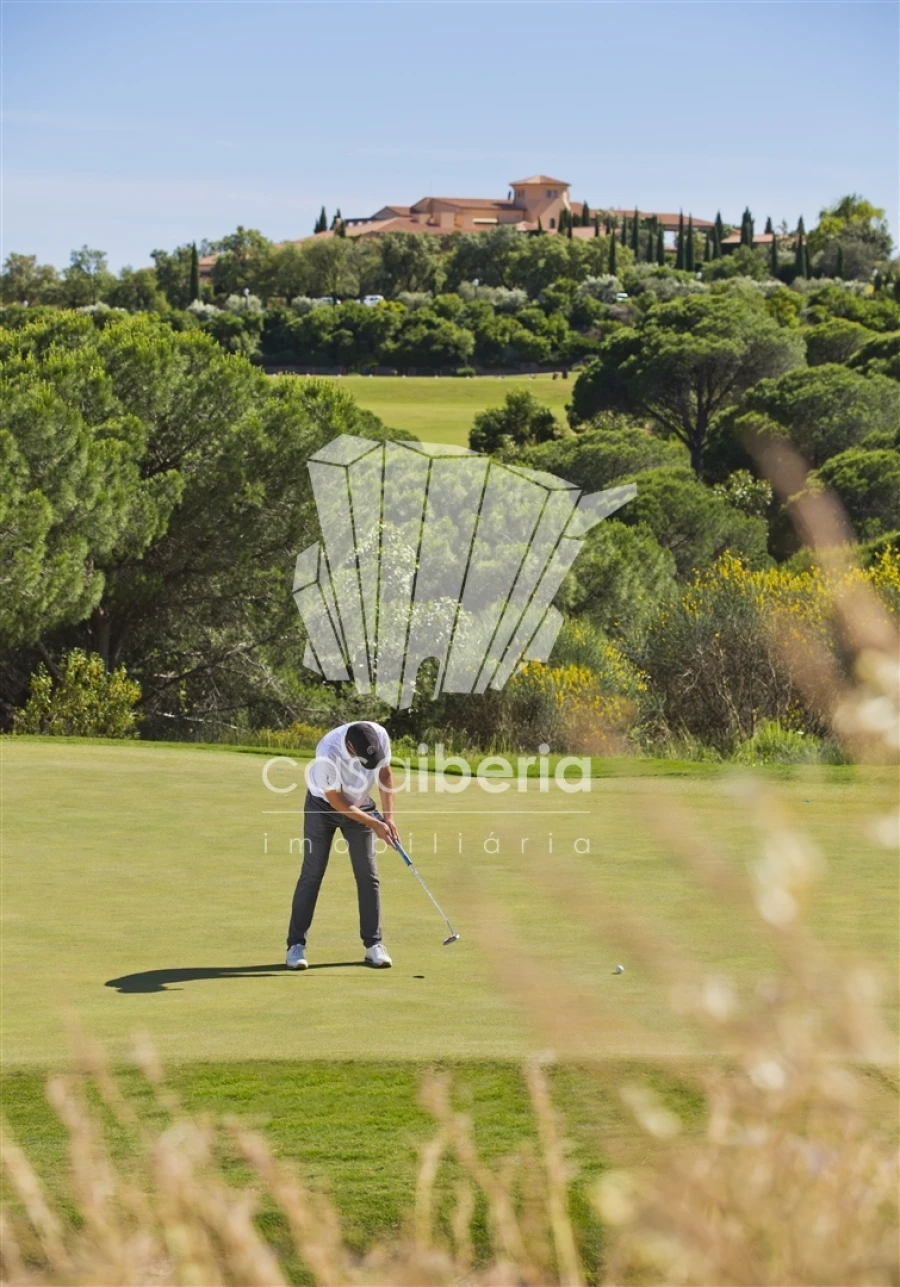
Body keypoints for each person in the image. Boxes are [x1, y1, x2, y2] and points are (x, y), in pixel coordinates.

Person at [285, 721, 399, 971]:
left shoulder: (379, 734)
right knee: (312, 873)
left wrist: (388, 818)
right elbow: (336, 801)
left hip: (362, 804)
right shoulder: (328, 751)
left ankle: (374, 945)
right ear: (350, 748)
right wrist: (375, 824)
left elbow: (385, 774)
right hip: (323, 808)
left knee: (368, 876)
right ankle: (295, 946)